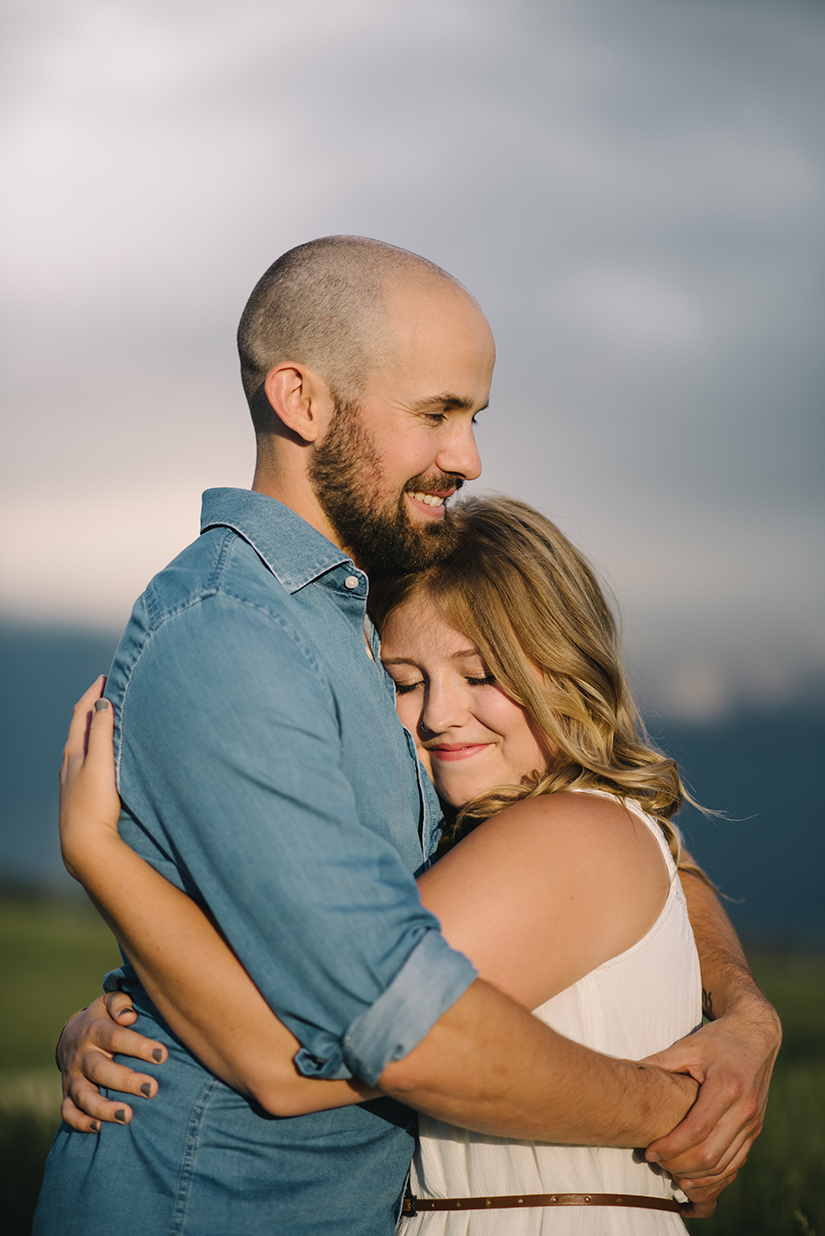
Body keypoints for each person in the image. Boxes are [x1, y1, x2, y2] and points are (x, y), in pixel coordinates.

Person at [38, 237, 780, 1235]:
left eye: (473, 417)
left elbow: (630, 855)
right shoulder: (239, 636)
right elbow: (360, 1033)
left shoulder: (347, 626)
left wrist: (745, 1013)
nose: (468, 456)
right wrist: (674, 1110)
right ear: (301, 401)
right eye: (437, 413)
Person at [58, 494, 726, 1232]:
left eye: (480, 676)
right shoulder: (561, 832)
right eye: (406, 683)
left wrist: (103, 856)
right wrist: (116, 1015)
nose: (440, 713)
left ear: (565, 670)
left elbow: (288, 1061)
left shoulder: (568, 834)